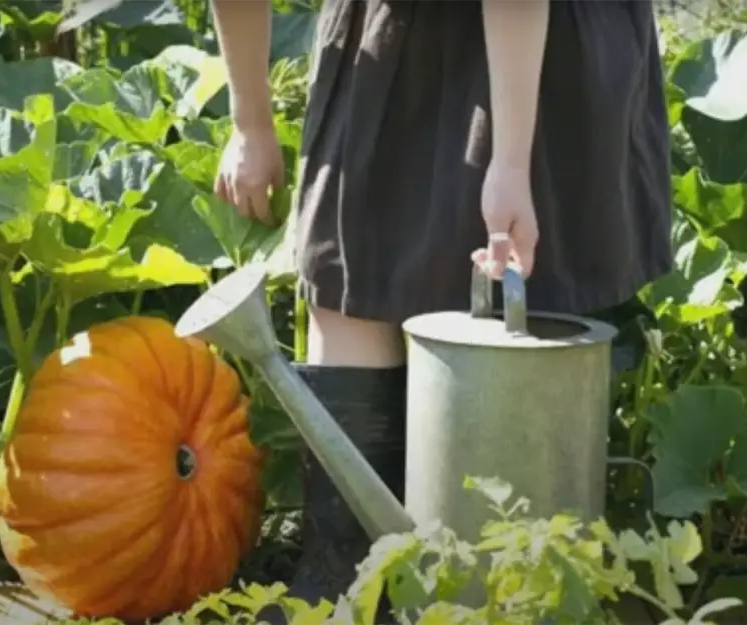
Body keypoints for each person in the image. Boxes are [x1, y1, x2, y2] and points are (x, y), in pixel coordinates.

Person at [210, 0, 672, 617]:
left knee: (516, 275)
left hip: (538, 45)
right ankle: (343, 573)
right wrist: (250, 121)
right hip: (389, 31)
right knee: (348, 279)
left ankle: (514, 587)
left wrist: (510, 165)